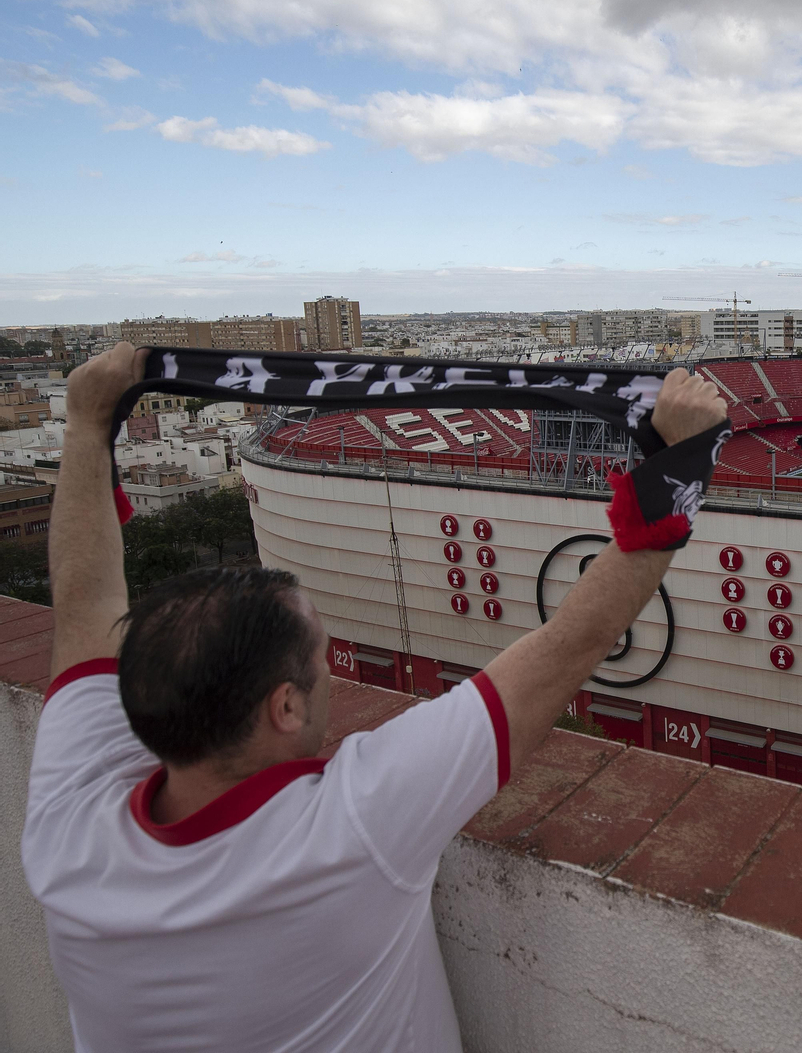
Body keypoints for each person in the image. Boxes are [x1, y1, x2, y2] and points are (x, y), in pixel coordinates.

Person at [22, 342, 728, 1051]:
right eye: (320, 658)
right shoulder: (353, 827)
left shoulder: (69, 831)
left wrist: (85, 426)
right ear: (285, 708)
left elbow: (82, 604)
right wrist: (680, 463)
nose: (331, 672)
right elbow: (577, 640)